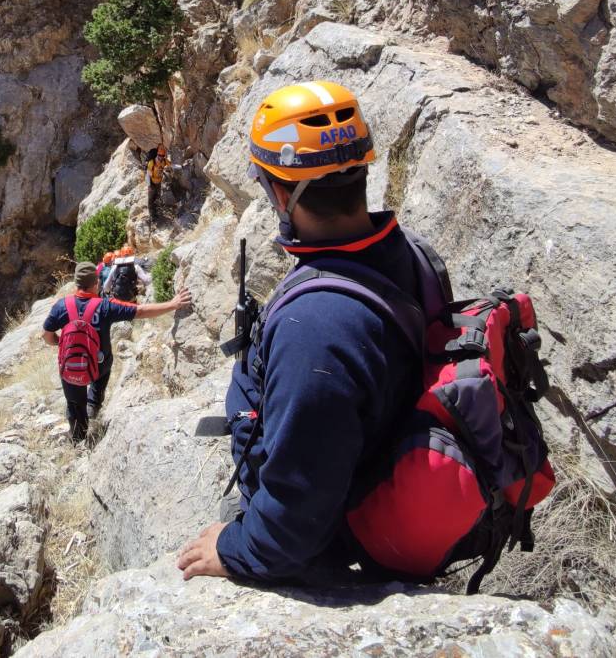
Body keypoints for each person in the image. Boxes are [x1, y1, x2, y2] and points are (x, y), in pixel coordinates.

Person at [177, 81, 449, 584]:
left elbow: (296, 516)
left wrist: (236, 547)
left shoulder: (318, 328)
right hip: (374, 461)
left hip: (333, 536)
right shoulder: (406, 251)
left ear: (281, 192)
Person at [43, 261, 193, 440]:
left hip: (71, 368)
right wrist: (173, 304)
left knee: (74, 404)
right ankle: (93, 404)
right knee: (104, 367)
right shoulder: (106, 306)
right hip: (98, 366)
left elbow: (46, 335)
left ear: (76, 283)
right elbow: (141, 310)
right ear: (96, 283)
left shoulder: (61, 306)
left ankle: (78, 435)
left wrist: (60, 343)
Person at [145, 144, 169, 218]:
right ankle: (152, 215)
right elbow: (148, 174)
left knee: (157, 196)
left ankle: (157, 211)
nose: (161, 157)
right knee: (151, 198)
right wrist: (150, 185)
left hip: (158, 182)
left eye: (162, 156)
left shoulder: (164, 161)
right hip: (152, 182)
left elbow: (171, 165)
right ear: (157, 154)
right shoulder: (152, 162)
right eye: (160, 156)